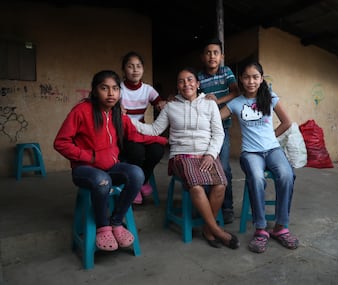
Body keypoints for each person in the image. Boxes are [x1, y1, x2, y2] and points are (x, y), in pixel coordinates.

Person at [54, 70, 167, 251]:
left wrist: (163, 140)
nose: (110, 93)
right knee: (102, 181)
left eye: (115, 88)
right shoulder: (81, 111)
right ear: (95, 90)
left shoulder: (118, 115)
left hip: (110, 167)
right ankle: (102, 226)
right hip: (85, 170)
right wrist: (90, 157)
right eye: (104, 88)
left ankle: (116, 222)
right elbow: (60, 142)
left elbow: (136, 136)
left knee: (136, 174)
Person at [131, 67, 240, 249]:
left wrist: (211, 155)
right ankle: (217, 231)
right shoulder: (171, 107)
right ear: (177, 86)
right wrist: (128, 121)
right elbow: (154, 130)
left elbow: (218, 134)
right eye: (181, 81)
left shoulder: (209, 104)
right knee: (196, 188)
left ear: (197, 84)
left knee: (220, 185)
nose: (186, 84)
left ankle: (207, 229)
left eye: (190, 80)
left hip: (207, 154)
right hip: (182, 155)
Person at [220, 61, 299, 253]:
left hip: (273, 150)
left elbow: (287, 122)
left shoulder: (270, 97)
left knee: (287, 175)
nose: (251, 81)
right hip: (250, 153)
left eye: (255, 77)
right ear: (241, 79)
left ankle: (281, 227)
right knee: (256, 178)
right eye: (246, 77)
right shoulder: (236, 103)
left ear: (261, 78)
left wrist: (272, 136)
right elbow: (215, 118)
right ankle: (261, 229)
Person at [197, 38, 240, 224]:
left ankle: (227, 206)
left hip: (222, 128)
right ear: (202, 57)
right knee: (204, 167)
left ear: (221, 56)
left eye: (215, 52)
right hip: (203, 130)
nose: (212, 56)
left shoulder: (226, 72)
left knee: (224, 167)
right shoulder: (198, 77)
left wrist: (217, 102)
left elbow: (236, 92)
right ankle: (206, 205)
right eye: (208, 52)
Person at [119, 51, 167, 204]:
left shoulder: (148, 89)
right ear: (124, 70)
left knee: (157, 150)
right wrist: (115, 108)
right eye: (130, 66)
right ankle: (135, 185)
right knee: (137, 152)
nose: (135, 70)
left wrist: (162, 104)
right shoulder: (118, 89)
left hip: (141, 131)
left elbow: (160, 103)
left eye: (138, 66)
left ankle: (141, 182)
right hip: (123, 133)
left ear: (143, 69)